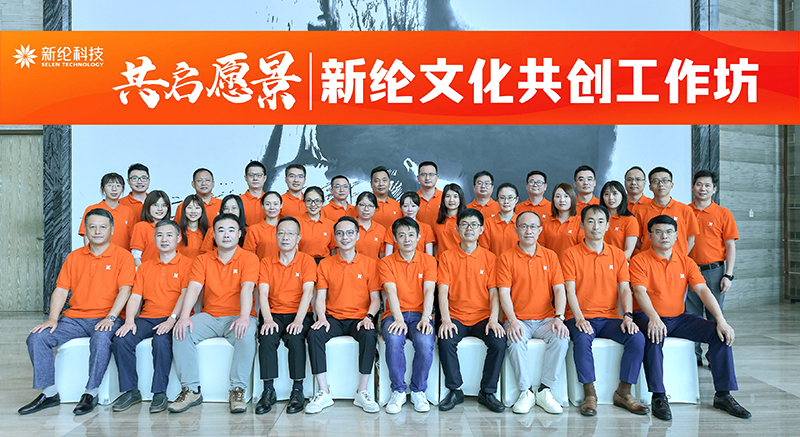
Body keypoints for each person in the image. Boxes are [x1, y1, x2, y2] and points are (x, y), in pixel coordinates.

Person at [630, 215, 751, 420]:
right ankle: (659, 396)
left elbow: (703, 290)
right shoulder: (639, 260)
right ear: (649, 236)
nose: (664, 236)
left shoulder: (686, 262)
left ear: (677, 235)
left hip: (679, 318)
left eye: (669, 232)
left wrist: (721, 320)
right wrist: (654, 318)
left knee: (718, 334)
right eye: (658, 232)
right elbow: (639, 292)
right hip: (647, 316)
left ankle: (723, 395)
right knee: (654, 336)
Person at [20, 209, 134, 416]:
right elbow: (61, 290)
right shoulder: (74, 257)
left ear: (112, 229)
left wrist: (110, 317)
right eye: (92, 227)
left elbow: (125, 290)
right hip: (74, 319)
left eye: (102, 227)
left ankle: (91, 392)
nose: (97, 231)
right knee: (37, 337)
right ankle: (50, 393)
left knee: (101, 338)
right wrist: (52, 319)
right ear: (85, 230)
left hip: (108, 317)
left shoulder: (123, 256)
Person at [561, 205, 648, 417]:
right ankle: (589, 394)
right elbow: (569, 291)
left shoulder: (617, 255)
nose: (596, 226)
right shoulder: (570, 254)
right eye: (590, 221)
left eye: (600, 221)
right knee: (582, 338)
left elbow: (625, 289)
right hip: (579, 317)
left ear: (608, 226)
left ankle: (624, 392)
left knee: (636, 338)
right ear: (582, 225)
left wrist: (628, 316)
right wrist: (579, 318)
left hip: (609, 317)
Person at [170, 213, 259, 414]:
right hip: (210, 316)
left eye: (231, 230)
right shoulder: (203, 260)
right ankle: (191, 390)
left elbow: (247, 288)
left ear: (239, 234)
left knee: (245, 334)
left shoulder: (249, 258)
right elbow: (194, 288)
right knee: (181, 332)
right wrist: (184, 317)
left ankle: (237, 390)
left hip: (238, 315)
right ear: (214, 235)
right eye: (221, 230)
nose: (226, 234)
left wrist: (244, 316)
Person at [111, 220, 193, 413]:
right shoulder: (145, 267)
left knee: (161, 342)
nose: (164, 239)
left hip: (173, 317)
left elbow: (185, 294)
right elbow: (135, 297)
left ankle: (159, 393)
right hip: (147, 317)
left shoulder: (187, 264)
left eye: (169, 235)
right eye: (159, 235)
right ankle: (131, 391)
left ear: (178, 238)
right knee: (121, 339)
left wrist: (172, 319)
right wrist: (129, 320)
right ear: (154, 238)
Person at [306, 217, 382, 414]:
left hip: (360, 318)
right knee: (314, 334)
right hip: (333, 319)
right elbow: (320, 297)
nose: (345, 237)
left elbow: (376, 298)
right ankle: (323, 391)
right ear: (335, 237)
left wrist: (369, 317)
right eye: (340, 233)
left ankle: (362, 391)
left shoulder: (370, 264)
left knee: (369, 335)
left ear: (357, 235)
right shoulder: (325, 264)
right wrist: (321, 317)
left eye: (349, 233)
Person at [497, 211, 569, 415]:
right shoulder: (506, 258)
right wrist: (512, 321)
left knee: (561, 337)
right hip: (518, 319)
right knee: (515, 339)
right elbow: (504, 293)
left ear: (540, 230)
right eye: (523, 226)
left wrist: (559, 317)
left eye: (532, 227)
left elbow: (559, 289)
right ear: (516, 229)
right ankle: (526, 391)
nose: (528, 231)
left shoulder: (550, 256)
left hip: (546, 319)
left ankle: (546, 390)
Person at [437, 209, 507, 413]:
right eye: (465, 224)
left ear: (481, 230)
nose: (469, 228)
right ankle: (455, 390)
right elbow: (442, 291)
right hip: (456, 317)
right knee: (445, 339)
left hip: (482, 317)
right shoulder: (447, 257)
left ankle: (487, 391)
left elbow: (494, 293)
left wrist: (493, 319)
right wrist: (446, 320)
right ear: (457, 229)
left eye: (474, 225)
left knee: (498, 340)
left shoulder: (490, 258)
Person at [255, 217, 316, 415]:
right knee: (266, 337)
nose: (285, 237)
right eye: (281, 233)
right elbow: (262, 293)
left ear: (298, 238)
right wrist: (267, 319)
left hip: (299, 314)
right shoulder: (266, 262)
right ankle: (268, 390)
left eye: (290, 233)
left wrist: (298, 320)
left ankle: (297, 390)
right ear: (275, 236)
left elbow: (308, 292)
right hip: (273, 313)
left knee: (295, 338)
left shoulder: (306, 261)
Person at [379, 217, 437, 414]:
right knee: (394, 339)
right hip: (394, 314)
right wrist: (398, 319)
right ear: (395, 239)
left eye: (411, 235)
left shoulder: (429, 261)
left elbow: (429, 290)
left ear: (418, 237)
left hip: (421, 314)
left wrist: (426, 317)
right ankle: (398, 390)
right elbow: (390, 292)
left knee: (425, 341)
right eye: (402, 235)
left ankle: (419, 390)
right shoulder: (386, 263)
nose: (407, 239)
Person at [688, 170, 739, 366]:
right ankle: (693, 356)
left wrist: (728, 274)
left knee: (715, 314)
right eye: (699, 184)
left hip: (714, 271)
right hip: (689, 271)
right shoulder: (685, 211)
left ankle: (715, 355)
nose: (703, 188)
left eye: (707, 185)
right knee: (691, 315)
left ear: (714, 189)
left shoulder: (723, 214)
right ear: (693, 187)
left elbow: (730, 246)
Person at [637, 166, 699, 256]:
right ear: (650, 187)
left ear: (671, 185)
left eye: (665, 180)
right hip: (649, 262)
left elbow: (691, 240)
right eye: (656, 181)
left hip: (677, 262)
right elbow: (636, 239)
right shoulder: (641, 211)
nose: (661, 184)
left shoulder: (685, 210)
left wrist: (681, 258)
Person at [79, 172, 135, 250]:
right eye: (109, 185)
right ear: (103, 188)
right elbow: (86, 235)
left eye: (118, 186)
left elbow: (132, 238)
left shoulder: (128, 211)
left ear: (122, 189)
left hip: (122, 255)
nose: (114, 189)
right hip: (98, 255)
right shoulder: (92, 209)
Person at [383, 192, 435, 257]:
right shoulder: (393, 228)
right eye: (405, 206)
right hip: (397, 262)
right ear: (400, 207)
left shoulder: (426, 228)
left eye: (413, 206)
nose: (409, 209)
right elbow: (388, 255)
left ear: (418, 207)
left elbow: (429, 256)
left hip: (420, 263)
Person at [540, 183, 584, 258]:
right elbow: (542, 248)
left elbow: (582, 249)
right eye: (558, 196)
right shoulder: (546, 223)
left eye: (566, 196)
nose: (562, 200)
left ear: (572, 199)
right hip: (551, 264)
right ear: (553, 200)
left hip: (573, 264)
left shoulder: (580, 222)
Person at [130, 190, 171, 267]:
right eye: (155, 205)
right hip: (146, 271)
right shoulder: (141, 227)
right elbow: (136, 257)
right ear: (148, 207)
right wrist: (144, 272)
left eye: (164, 205)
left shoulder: (171, 228)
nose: (160, 209)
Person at [599, 181, 639, 259]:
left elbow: (628, 251)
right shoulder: (597, 218)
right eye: (606, 194)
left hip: (619, 262)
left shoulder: (630, 220)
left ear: (623, 196)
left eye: (615, 194)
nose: (611, 198)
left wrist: (614, 263)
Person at [480, 183, 521, 256]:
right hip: (494, 262)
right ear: (497, 199)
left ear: (516, 199)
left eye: (510, 198)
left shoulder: (522, 223)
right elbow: (484, 251)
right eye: (502, 198)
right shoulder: (488, 223)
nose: (506, 201)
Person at [298, 186, 336, 263]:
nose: (313, 204)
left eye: (317, 201)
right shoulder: (296, 223)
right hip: (302, 263)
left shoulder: (330, 224)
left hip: (325, 264)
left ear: (322, 202)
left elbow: (333, 250)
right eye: (309, 201)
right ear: (304, 202)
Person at [243, 191, 282, 260]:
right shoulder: (254, 230)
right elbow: (248, 256)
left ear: (281, 205)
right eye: (267, 204)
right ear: (262, 205)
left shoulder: (287, 228)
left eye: (275, 204)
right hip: (262, 266)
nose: (272, 207)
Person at [433, 183, 465, 258]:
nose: (451, 200)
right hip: (441, 261)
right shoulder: (438, 221)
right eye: (448, 196)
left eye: (455, 196)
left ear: (460, 199)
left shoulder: (465, 221)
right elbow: (436, 245)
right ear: (443, 199)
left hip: (459, 260)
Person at [353, 192, 387, 260]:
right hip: (352, 266)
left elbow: (382, 256)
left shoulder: (381, 230)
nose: (366, 209)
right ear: (356, 206)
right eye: (362, 205)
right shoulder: (348, 227)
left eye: (370, 206)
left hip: (375, 266)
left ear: (375, 208)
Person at [177, 194, 208, 261]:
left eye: (197, 208)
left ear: (202, 210)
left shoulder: (208, 232)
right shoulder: (177, 233)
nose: (193, 211)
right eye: (189, 207)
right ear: (184, 210)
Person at [415, 161, 442, 227]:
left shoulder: (445, 198)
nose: (427, 178)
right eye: (424, 175)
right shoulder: (412, 199)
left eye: (431, 174)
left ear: (437, 177)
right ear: (418, 178)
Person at [242, 161, 268, 227]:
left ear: (265, 178)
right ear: (246, 178)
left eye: (259, 175)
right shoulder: (238, 201)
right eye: (251, 175)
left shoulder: (271, 201)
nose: (255, 178)